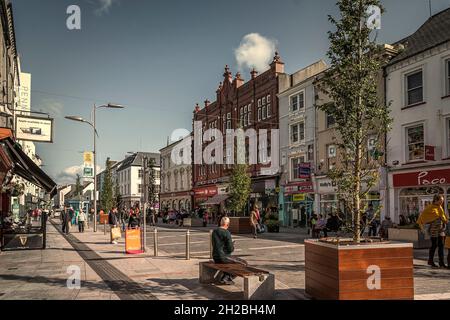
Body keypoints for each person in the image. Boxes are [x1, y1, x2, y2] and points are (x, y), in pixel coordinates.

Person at [417, 194, 448, 268]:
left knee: (441, 246)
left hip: (440, 229)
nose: (442, 202)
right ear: (436, 200)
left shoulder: (440, 207)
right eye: (441, 200)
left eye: (442, 200)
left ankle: (441, 263)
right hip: (433, 229)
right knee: (434, 245)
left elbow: (443, 216)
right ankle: (430, 261)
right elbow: (422, 217)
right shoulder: (429, 208)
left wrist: (446, 221)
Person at [212, 217, 238, 285]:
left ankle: (225, 276)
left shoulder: (214, 231)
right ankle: (228, 278)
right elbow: (230, 249)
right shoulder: (226, 232)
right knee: (243, 264)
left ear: (221, 223)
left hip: (215, 257)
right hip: (223, 257)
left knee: (230, 263)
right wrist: (232, 245)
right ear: (228, 224)